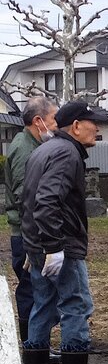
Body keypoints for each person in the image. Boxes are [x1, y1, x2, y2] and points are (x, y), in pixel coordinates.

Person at [20, 100, 108, 364]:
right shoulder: (66, 153)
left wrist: (34, 244)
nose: (97, 128)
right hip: (60, 243)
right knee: (76, 304)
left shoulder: (43, 149)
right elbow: (48, 201)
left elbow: (27, 199)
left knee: (43, 304)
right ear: (75, 126)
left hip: (37, 243)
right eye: (92, 123)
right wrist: (54, 246)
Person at [3, 96, 58, 345]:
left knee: (37, 291)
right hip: (27, 234)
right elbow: (27, 196)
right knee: (31, 290)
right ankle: (34, 348)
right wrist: (34, 237)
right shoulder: (25, 150)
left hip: (26, 231)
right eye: (53, 118)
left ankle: (37, 347)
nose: (57, 124)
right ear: (39, 121)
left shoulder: (28, 144)